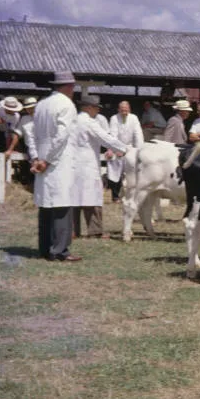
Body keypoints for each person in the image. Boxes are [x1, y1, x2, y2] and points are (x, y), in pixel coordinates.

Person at [27, 70, 81, 262]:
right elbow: (62, 136)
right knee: (61, 205)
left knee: (45, 206)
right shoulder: (67, 105)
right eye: (73, 86)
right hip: (58, 160)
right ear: (68, 86)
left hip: (42, 158)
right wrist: (48, 160)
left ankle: (44, 248)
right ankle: (59, 250)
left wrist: (36, 158)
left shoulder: (41, 105)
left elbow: (31, 133)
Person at [70, 95, 128, 239]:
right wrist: (125, 148)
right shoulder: (89, 122)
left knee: (73, 198)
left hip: (72, 163)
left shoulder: (73, 120)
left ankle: (72, 230)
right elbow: (105, 138)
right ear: (89, 107)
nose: (97, 111)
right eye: (96, 108)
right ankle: (95, 230)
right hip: (87, 163)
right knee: (92, 197)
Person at [107, 101, 144, 203]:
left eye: (126, 110)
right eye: (122, 110)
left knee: (133, 171)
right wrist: (117, 149)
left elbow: (138, 134)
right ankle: (115, 196)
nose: (124, 112)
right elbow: (113, 135)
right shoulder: (114, 118)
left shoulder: (134, 118)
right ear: (118, 110)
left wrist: (140, 150)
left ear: (129, 110)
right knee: (115, 170)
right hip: (117, 147)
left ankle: (131, 195)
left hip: (130, 148)